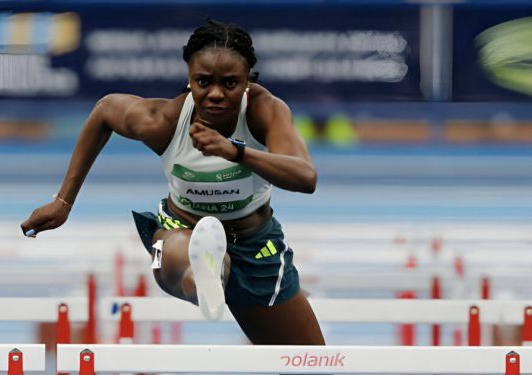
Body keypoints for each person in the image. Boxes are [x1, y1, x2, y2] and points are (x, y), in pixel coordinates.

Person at [20, 19, 325, 345]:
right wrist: (63, 202)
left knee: (309, 361)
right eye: (204, 81)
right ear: (189, 79)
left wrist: (236, 152)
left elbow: (305, 177)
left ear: (248, 81)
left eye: (231, 83)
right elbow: (105, 111)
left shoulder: (265, 112)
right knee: (184, 250)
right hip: (181, 232)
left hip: (256, 245)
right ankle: (206, 277)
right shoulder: (164, 121)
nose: (216, 94)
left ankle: (213, 273)